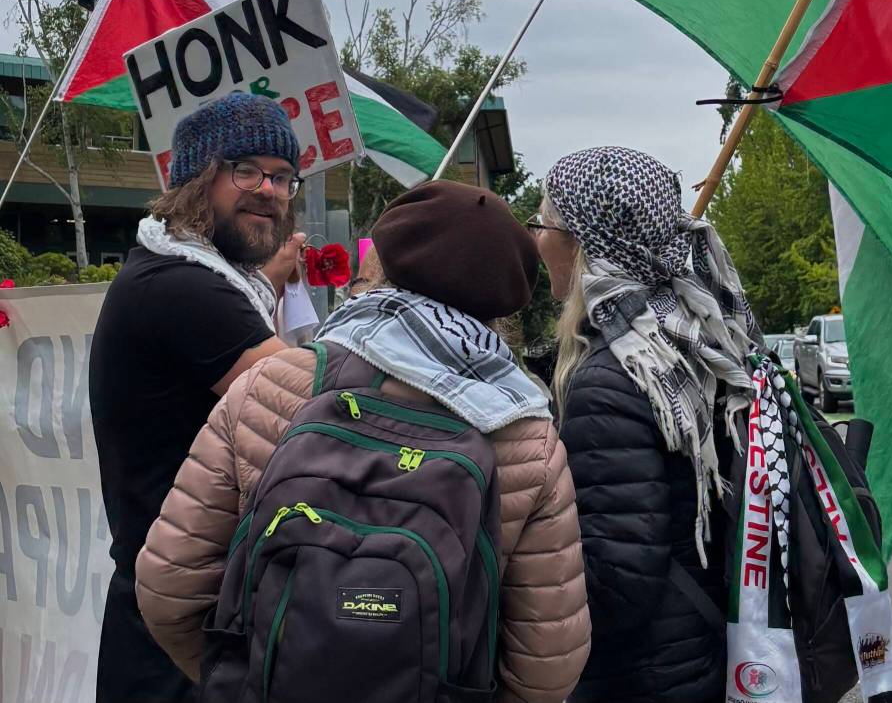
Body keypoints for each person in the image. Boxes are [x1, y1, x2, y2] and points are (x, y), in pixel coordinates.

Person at [134, 180, 591, 703]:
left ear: (385, 264)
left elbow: (169, 586)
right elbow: (547, 664)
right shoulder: (529, 435)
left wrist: (249, 675)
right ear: (504, 303)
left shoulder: (272, 384)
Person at [89, 93, 306, 703]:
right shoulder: (183, 288)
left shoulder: (182, 273)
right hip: (179, 632)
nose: (269, 190)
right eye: (247, 170)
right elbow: (316, 405)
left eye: (283, 177)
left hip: (174, 610)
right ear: (196, 179)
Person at [533, 146, 763, 703]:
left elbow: (616, 581)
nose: (535, 239)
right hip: (711, 646)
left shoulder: (612, 378)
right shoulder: (707, 341)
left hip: (646, 675)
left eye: (542, 223)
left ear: (582, 244)